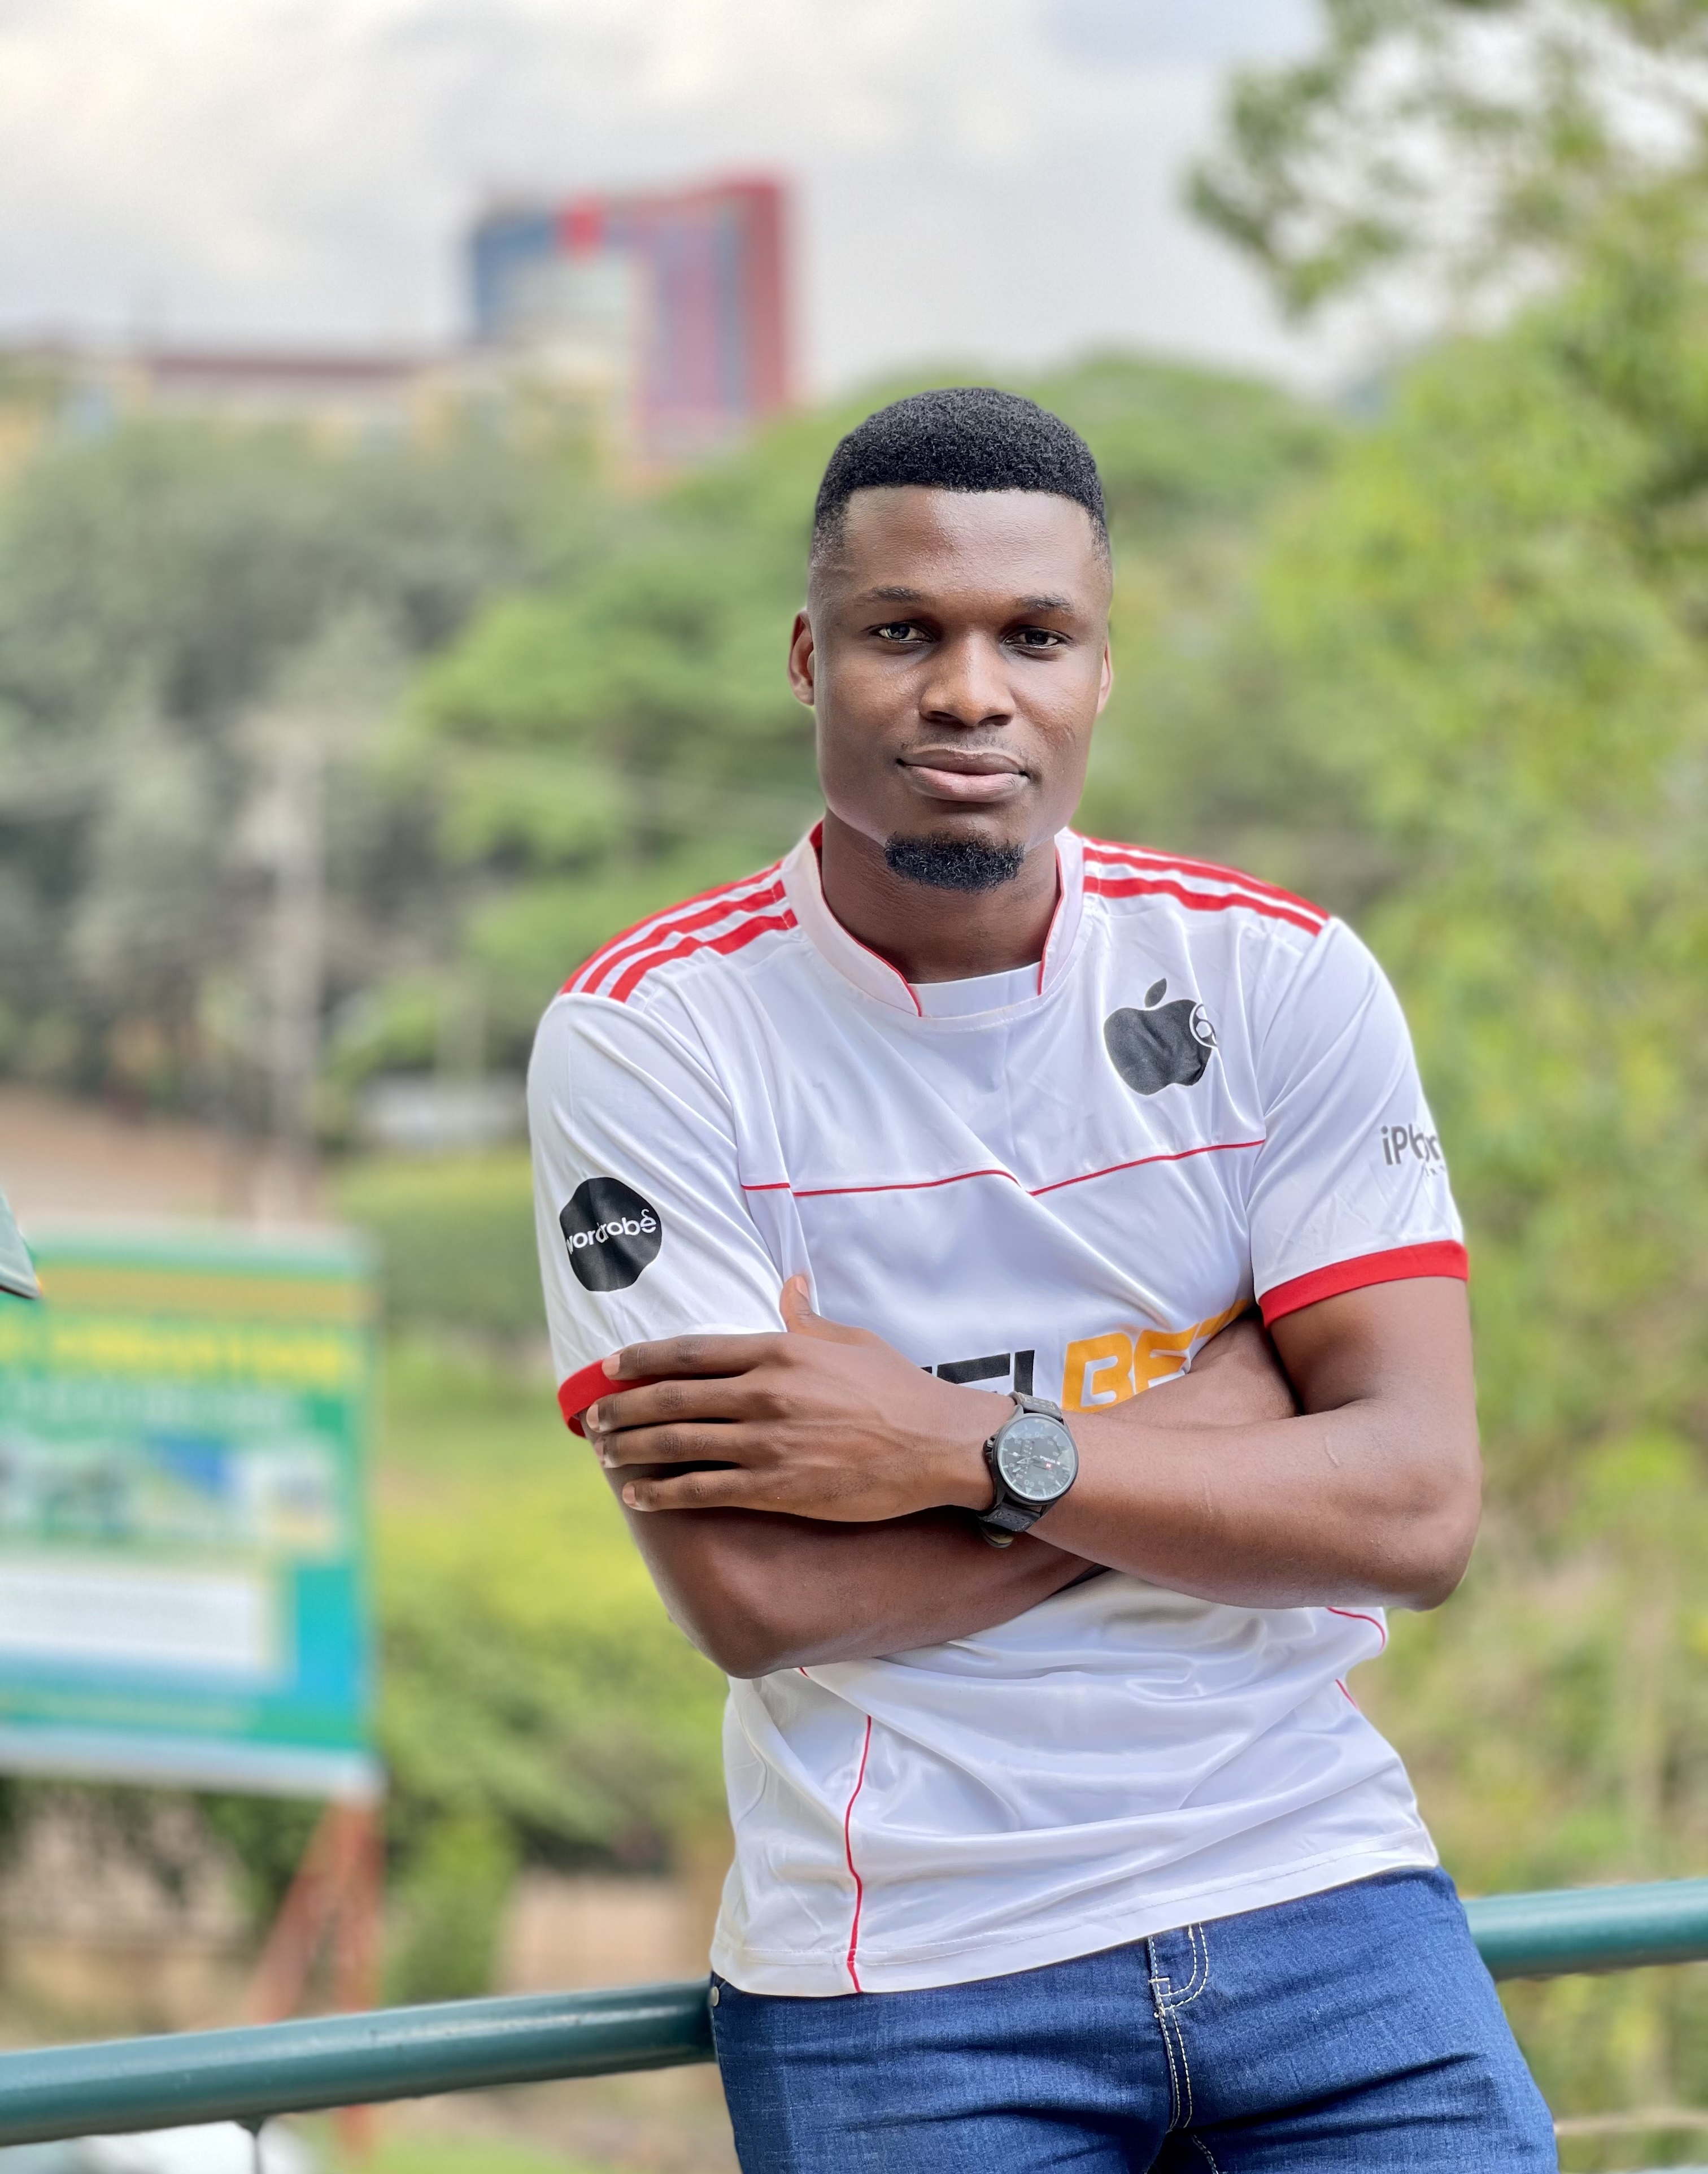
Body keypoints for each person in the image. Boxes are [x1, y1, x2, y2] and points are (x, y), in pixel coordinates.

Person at [528, 388, 1555, 2171]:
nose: (970, 692)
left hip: (1320, 1889)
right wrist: (1215, 1434)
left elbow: (1413, 1510)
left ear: (1100, 673)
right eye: (902, 633)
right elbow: (757, 1594)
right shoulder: (653, 1038)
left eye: (1034, 636)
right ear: (808, 658)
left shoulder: (1278, 978)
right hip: (911, 1975)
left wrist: (956, 1450)